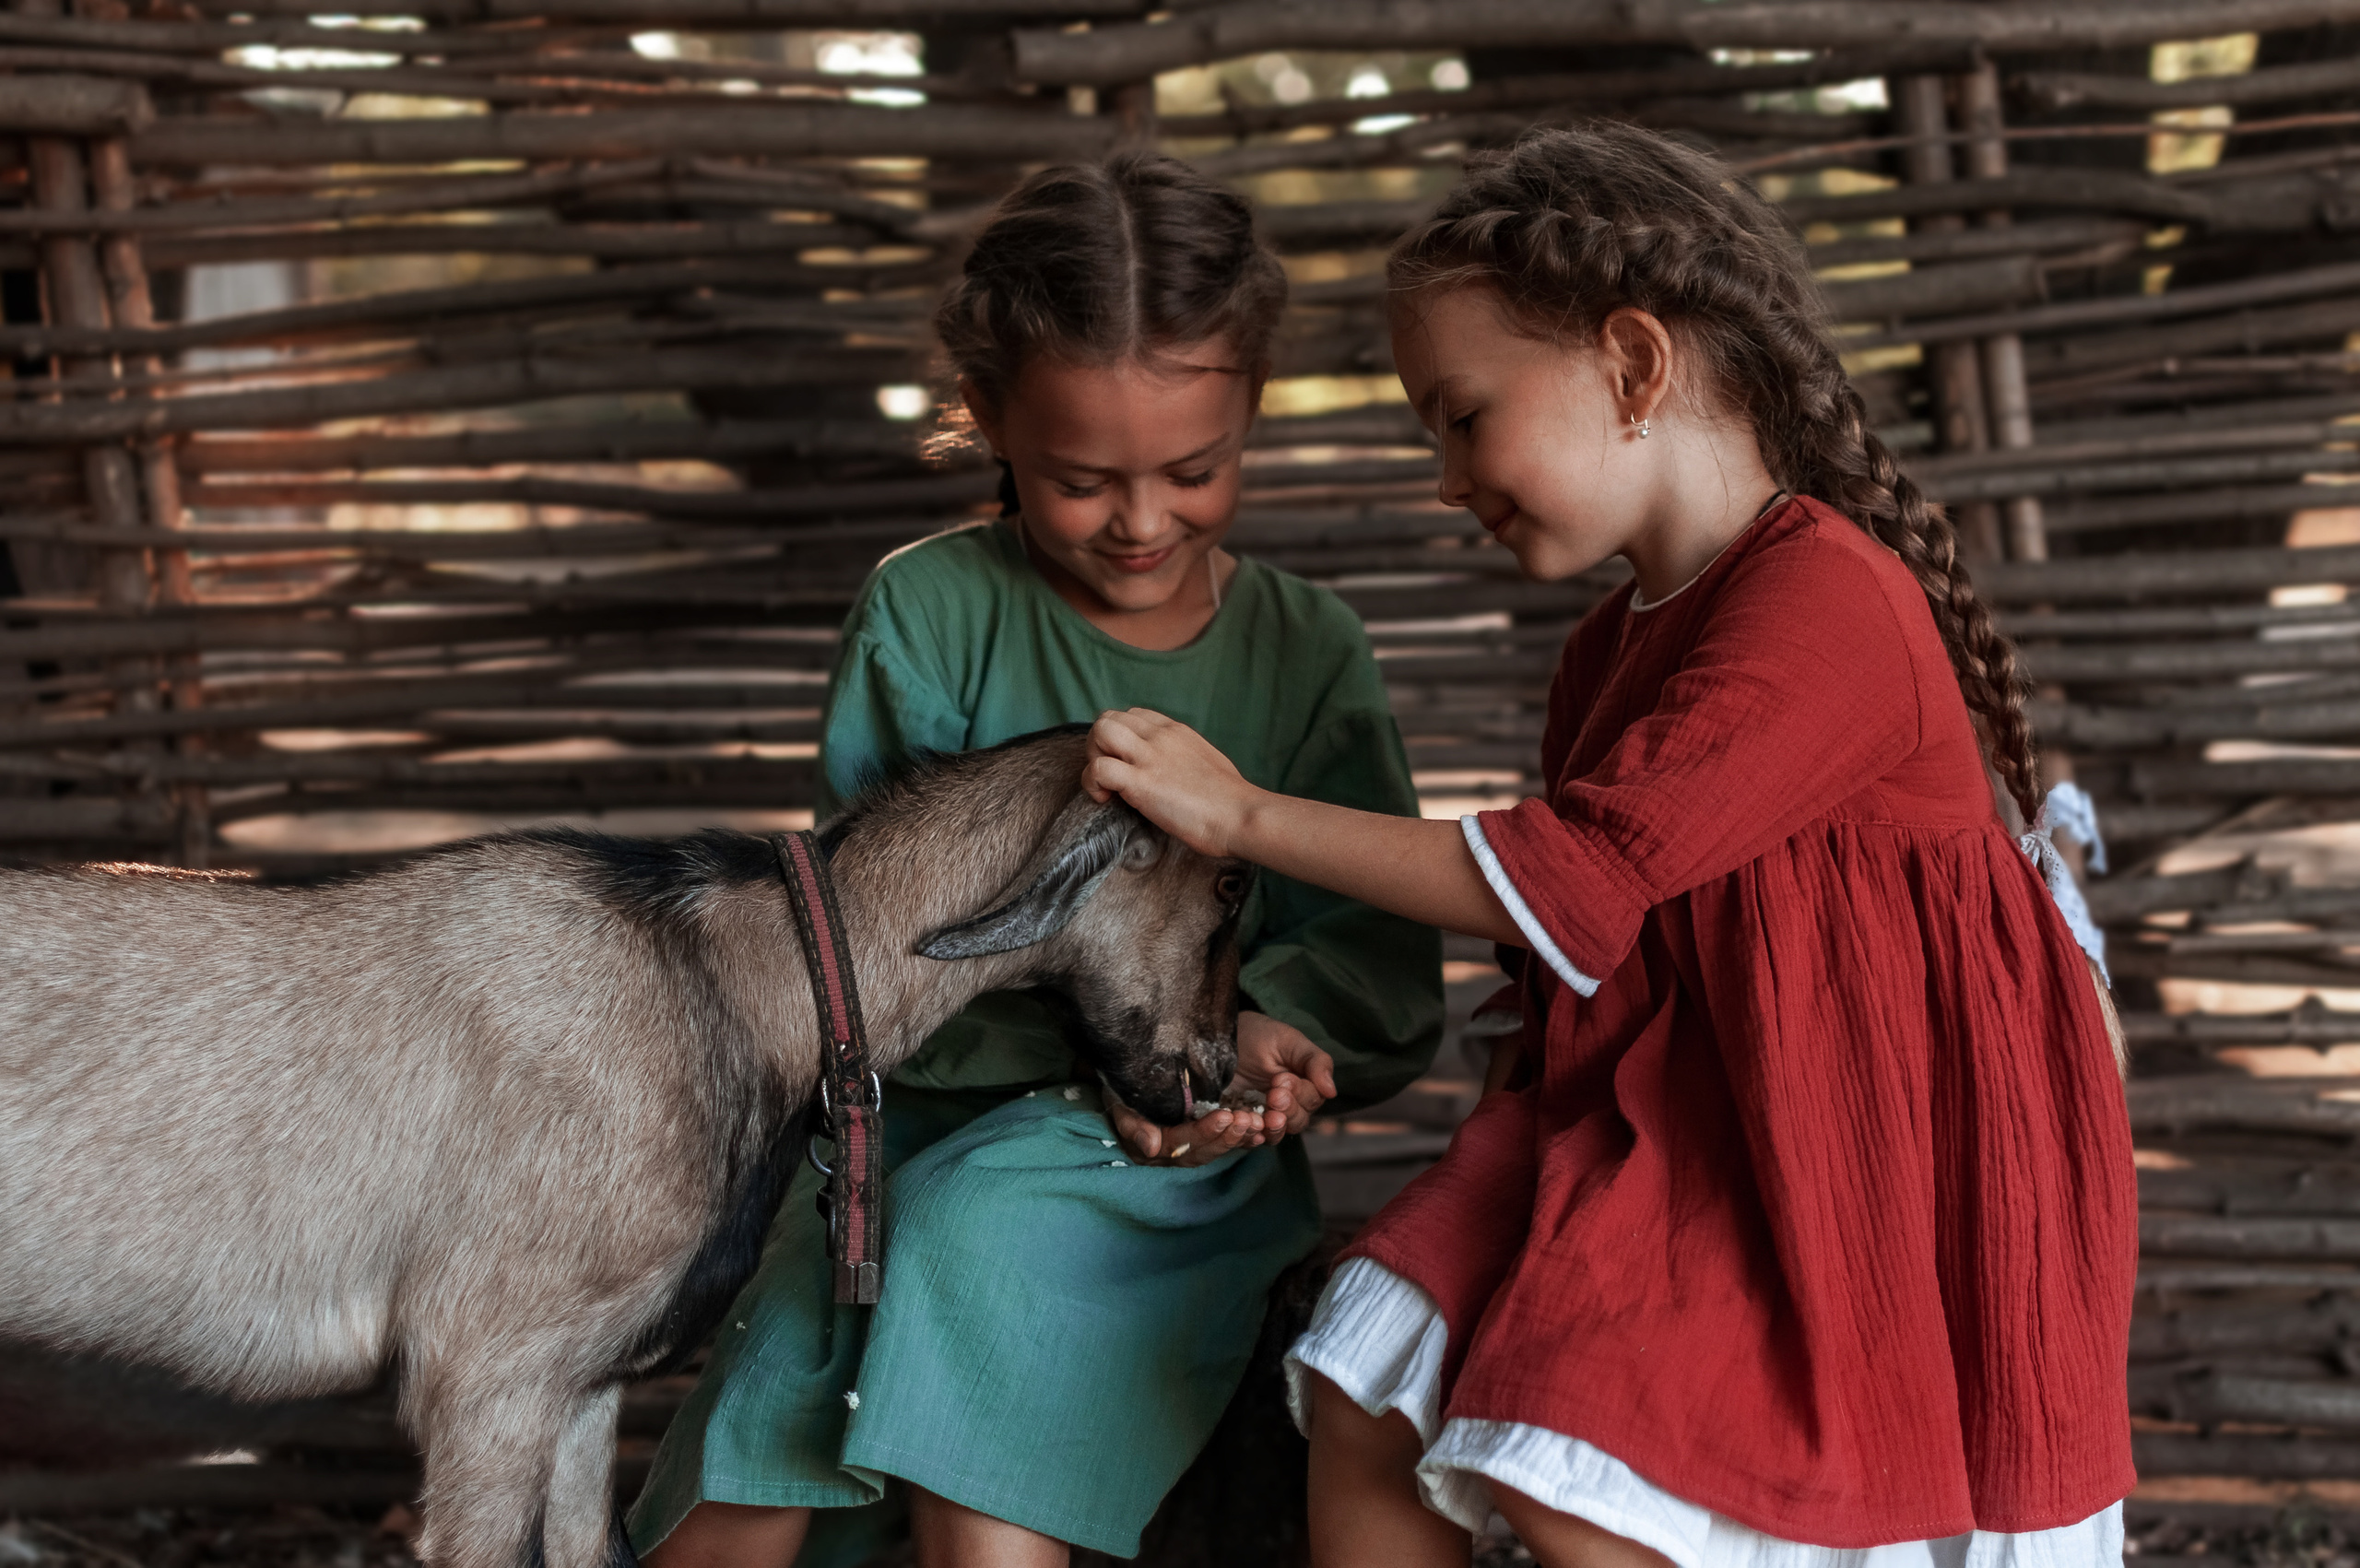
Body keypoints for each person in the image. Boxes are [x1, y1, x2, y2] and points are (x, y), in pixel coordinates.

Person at [1085, 123, 2136, 1568]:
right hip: (1658, 1103)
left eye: (1461, 415)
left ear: (1634, 366)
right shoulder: (1603, 653)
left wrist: (1241, 812)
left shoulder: (1829, 594)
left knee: (1579, 1470)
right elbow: (1576, 937)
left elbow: (1567, 871)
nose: (1448, 475)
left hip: (1827, 1134)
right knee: (1360, 1383)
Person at [629, 152, 1444, 1568]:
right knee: (751, 1468)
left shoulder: (1306, 653)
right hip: (914, 1125)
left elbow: (1371, 951)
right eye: (1079, 480)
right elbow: (878, 941)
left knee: (975, 1236)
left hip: (1180, 1148)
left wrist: (1257, 1033)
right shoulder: (931, 614)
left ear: (1252, 409)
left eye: (1196, 470)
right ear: (992, 420)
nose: (1141, 521)